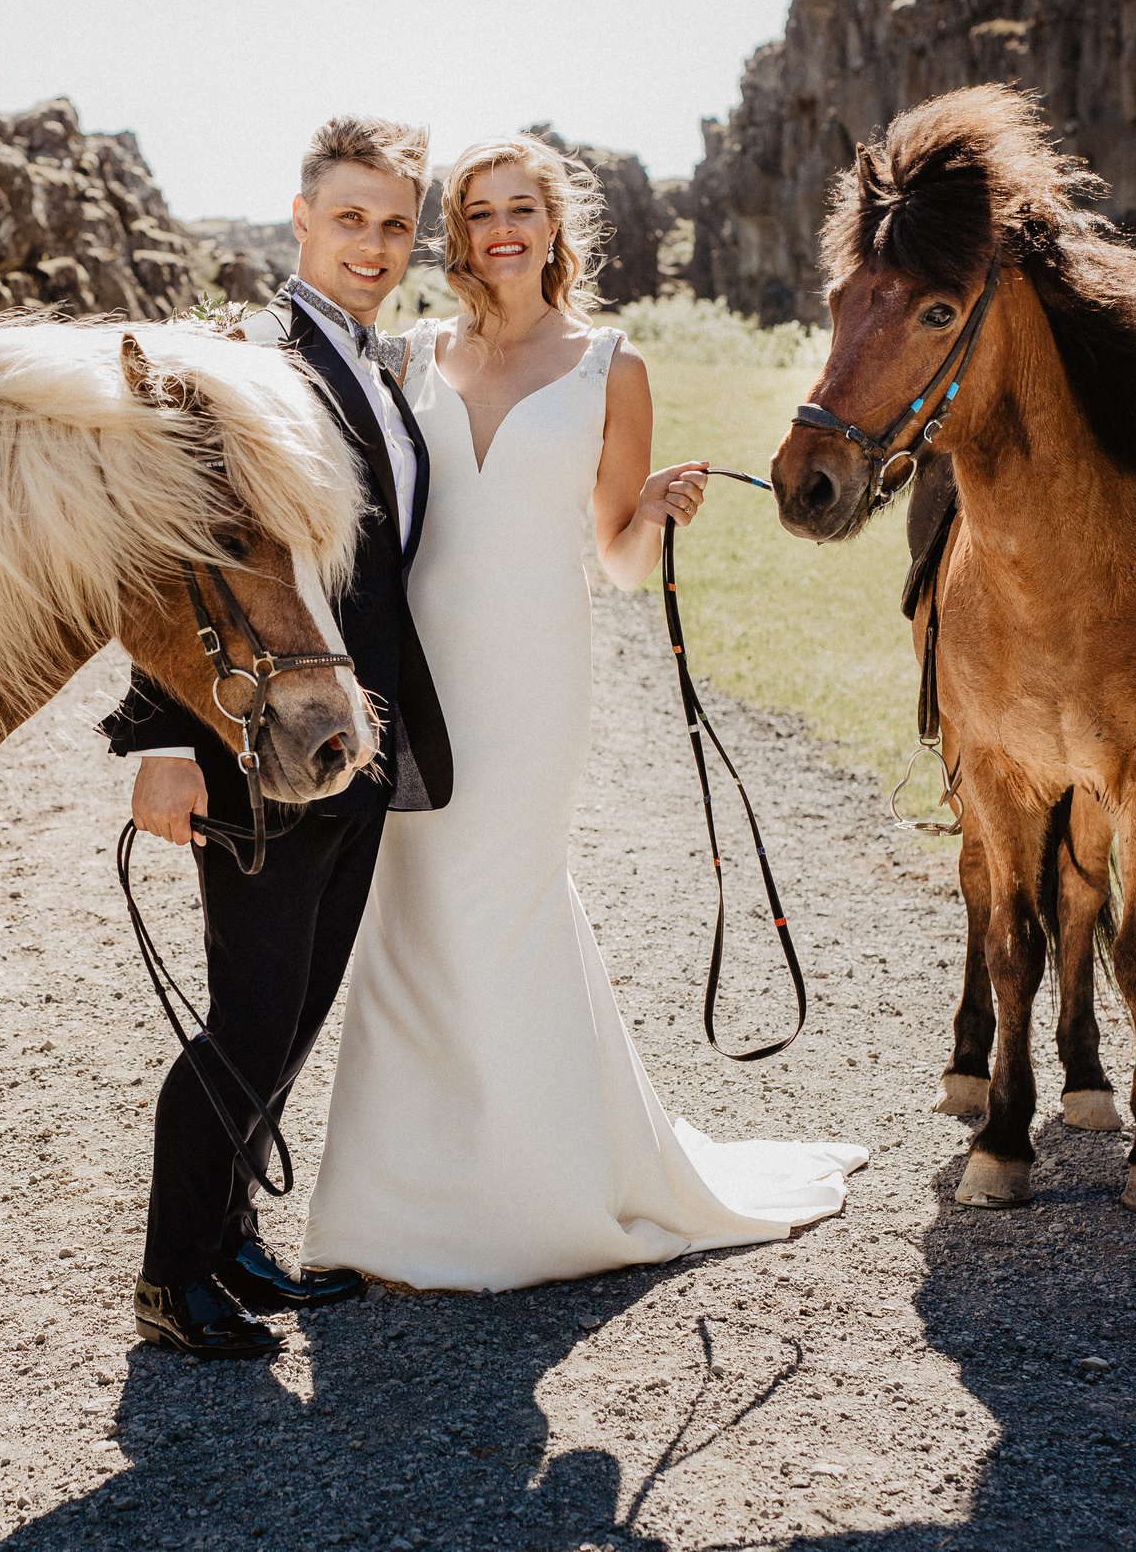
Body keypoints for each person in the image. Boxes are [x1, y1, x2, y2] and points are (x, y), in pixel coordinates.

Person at [300, 134, 868, 1291]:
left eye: (522, 208)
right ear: (453, 236)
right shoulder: (406, 356)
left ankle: (535, 1201)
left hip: (530, 677)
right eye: (476, 212)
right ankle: (389, 1213)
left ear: (557, 228)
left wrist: (652, 510)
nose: (500, 228)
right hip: (412, 674)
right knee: (409, 920)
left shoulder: (613, 363)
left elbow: (611, 561)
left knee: (502, 909)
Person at [102, 115, 453, 1358]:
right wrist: (160, 742)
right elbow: (175, 559)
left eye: (395, 224)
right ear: (301, 218)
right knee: (248, 1018)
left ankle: (230, 1242)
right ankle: (165, 1277)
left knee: (298, 1011)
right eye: (349, 217)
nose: (372, 243)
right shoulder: (244, 358)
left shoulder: (371, 361)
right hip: (251, 738)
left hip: (348, 738)